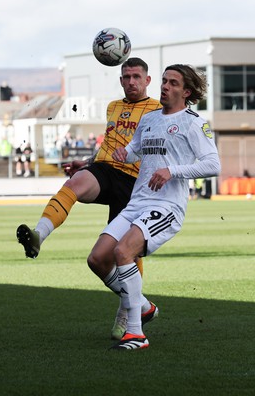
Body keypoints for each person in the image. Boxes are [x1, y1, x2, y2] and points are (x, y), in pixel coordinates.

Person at [16, 57, 162, 340]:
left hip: (135, 184)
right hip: (106, 170)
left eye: (136, 76)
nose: (131, 81)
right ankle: (38, 235)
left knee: (103, 259)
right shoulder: (113, 107)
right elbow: (109, 145)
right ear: (120, 80)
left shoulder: (157, 110)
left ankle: (133, 307)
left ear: (147, 81)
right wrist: (86, 161)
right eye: (126, 76)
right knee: (75, 182)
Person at [87, 64, 221, 351]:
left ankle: (136, 334)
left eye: (172, 83)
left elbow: (213, 164)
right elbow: (136, 149)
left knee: (123, 252)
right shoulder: (148, 119)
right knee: (98, 259)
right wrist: (126, 152)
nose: (164, 86)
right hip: (138, 202)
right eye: (164, 81)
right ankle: (144, 306)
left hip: (167, 206)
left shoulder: (194, 122)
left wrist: (172, 171)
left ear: (186, 92)